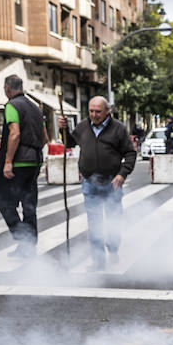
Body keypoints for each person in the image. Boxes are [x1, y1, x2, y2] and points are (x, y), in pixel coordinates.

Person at [59, 96, 137, 269]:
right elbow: (69, 143)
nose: (94, 115)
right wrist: (63, 129)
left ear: (107, 111)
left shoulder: (118, 129)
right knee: (94, 223)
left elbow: (130, 153)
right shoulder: (82, 126)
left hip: (112, 183)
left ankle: (113, 249)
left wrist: (122, 174)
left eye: (98, 112)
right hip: (90, 182)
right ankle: (98, 260)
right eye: (91, 111)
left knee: (113, 220)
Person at [0, 75, 47, 255]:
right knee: (29, 204)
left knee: (4, 201)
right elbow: (44, 137)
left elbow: (14, 134)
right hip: (34, 160)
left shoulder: (12, 105)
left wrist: (8, 162)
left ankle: (24, 239)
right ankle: (28, 246)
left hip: (18, 162)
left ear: (7, 88)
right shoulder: (36, 107)